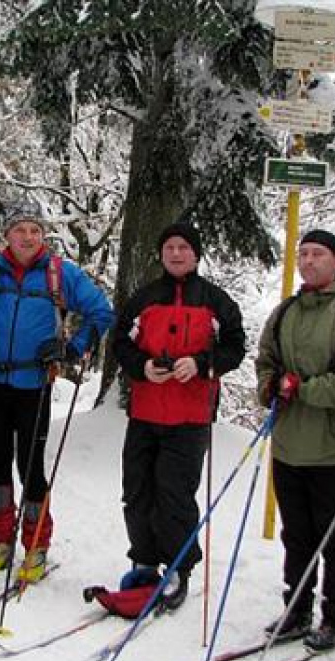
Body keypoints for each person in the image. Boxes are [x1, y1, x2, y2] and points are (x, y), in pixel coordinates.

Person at [0, 201, 114, 583]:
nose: (28, 237)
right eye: (20, 229)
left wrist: (72, 348)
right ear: (7, 234)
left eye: (35, 230)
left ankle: (36, 544)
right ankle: (1, 540)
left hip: (33, 382)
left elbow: (102, 311)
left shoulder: (60, 273)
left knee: (30, 464)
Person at [254, 229, 335, 652]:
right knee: (297, 535)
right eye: (303, 253)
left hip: (334, 448)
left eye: (318, 254)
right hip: (289, 444)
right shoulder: (286, 310)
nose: (308, 261)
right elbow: (265, 360)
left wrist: (300, 387)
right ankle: (297, 608)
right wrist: (270, 385)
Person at [111, 222, 245, 611]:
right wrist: (142, 366)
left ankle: (178, 567)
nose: (175, 253)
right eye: (169, 247)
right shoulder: (144, 298)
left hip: (189, 417)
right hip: (145, 412)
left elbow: (235, 347)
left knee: (174, 494)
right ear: (160, 253)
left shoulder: (216, 302)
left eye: (183, 247)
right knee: (137, 490)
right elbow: (121, 342)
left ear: (196, 254)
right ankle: (144, 560)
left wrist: (201, 365)